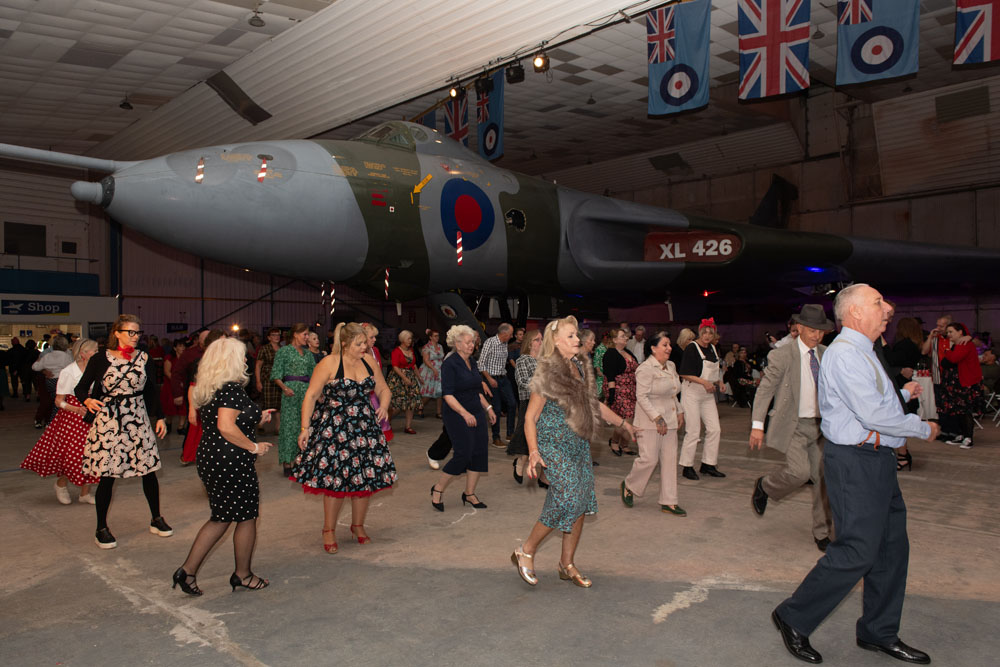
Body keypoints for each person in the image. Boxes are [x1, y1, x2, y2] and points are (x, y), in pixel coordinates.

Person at [771, 284, 938, 666]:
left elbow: (876, 400)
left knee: (892, 548)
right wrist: (920, 426)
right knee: (857, 550)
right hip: (856, 460)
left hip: (875, 459)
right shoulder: (846, 354)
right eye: (878, 303)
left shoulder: (864, 351)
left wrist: (904, 395)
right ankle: (793, 616)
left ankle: (878, 632)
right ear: (855, 314)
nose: (889, 308)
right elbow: (874, 414)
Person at [510, 316, 635, 588]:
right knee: (568, 498)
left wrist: (623, 423)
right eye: (571, 336)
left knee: (581, 499)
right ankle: (526, 550)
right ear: (555, 341)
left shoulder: (577, 367)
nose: (577, 340)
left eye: (577, 335)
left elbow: (594, 403)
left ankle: (566, 564)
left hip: (578, 444)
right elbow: (530, 417)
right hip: (553, 443)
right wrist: (533, 452)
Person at [172, 337, 275, 595]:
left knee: (222, 517)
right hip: (230, 460)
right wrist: (254, 447)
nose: (245, 360)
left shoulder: (210, 387)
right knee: (246, 517)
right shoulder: (230, 388)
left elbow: (227, 420)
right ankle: (242, 574)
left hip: (214, 457)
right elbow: (226, 427)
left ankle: (188, 571)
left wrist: (256, 416)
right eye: (242, 356)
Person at [292, 322, 396, 552]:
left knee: (365, 478)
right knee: (335, 481)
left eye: (365, 343)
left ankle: (357, 525)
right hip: (336, 429)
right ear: (345, 343)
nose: (365, 347)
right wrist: (304, 427)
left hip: (365, 428)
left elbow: (383, 389)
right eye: (359, 344)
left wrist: (384, 406)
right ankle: (328, 529)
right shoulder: (328, 363)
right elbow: (310, 396)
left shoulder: (368, 361)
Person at [76, 315, 170, 550]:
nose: (135, 337)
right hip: (109, 421)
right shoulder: (100, 359)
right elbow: (80, 388)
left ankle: (156, 519)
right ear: (116, 333)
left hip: (137, 418)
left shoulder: (144, 358)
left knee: (148, 470)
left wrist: (160, 417)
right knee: (108, 475)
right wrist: (87, 401)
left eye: (138, 332)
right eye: (131, 332)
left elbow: (150, 390)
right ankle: (101, 528)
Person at [749, 304, 835, 552]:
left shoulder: (827, 354)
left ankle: (822, 532)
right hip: (795, 426)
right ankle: (765, 485)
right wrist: (757, 425)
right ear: (799, 327)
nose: (816, 335)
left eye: (820, 331)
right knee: (799, 473)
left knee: (823, 480)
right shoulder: (782, 355)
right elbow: (765, 389)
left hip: (821, 427)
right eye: (811, 330)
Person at [21, 339, 100, 504]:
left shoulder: (96, 370)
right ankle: (61, 484)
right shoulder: (69, 371)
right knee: (74, 456)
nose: (97, 353)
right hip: (73, 417)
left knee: (93, 454)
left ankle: (85, 493)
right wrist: (76, 409)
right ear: (83, 353)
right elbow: (59, 401)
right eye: (94, 350)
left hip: (92, 414)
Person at [430, 325, 496, 511]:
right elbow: (448, 395)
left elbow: (476, 390)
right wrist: (464, 413)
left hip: (476, 411)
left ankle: (469, 494)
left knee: (479, 453)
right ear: (457, 344)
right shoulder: (450, 364)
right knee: (463, 454)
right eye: (468, 342)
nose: (472, 345)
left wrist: (488, 407)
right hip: (457, 414)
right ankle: (438, 489)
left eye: (473, 342)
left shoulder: (472, 362)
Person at [621, 331, 686, 516]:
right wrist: (657, 417)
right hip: (649, 421)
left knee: (669, 460)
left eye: (669, 344)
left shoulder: (671, 365)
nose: (669, 348)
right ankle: (629, 485)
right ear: (653, 348)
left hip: (670, 419)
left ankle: (669, 502)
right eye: (664, 345)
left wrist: (680, 410)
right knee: (649, 459)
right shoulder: (645, 368)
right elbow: (641, 396)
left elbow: (673, 393)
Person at [677, 319, 726, 480]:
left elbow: (713, 370)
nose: (707, 336)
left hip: (708, 393)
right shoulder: (692, 348)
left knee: (715, 429)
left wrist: (720, 382)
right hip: (692, 391)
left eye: (710, 333)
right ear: (700, 332)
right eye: (704, 332)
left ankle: (708, 464)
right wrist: (704, 382)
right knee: (693, 430)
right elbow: (683, 373)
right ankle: (687, 465)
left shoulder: (712, 348)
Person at [270, 323, 315, 476]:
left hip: (306, 393)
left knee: (304, 426)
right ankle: (287, 462)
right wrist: (284, 387)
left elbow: (314, 375)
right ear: (296, 334)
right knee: (289, 426)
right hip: (290, 394)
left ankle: (300, 460)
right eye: (305, 334)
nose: (307, 337)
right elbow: (275, 374)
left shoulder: (308, 354)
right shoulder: (284, 351)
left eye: (308, 335)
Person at [507, 329, 548, 487]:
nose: (541, 342)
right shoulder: (524, 360)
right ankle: (520, 461)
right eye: (537, 339)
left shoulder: (544, 360)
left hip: (545, 402)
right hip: (529, 401)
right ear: (530, 343)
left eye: (541, 339)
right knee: (527, 437)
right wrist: (541, 383)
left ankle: (544, 477)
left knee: (543, 439)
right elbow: (522, 381)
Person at [938, 322, 984, 449]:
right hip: (959, 383)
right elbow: (946, 362)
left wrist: (947, 351)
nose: (948, 335)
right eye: (947, 332)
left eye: (951, 332)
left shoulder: (964, 344)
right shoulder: (960, 344)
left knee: (965, 411)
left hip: (966, 382)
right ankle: (962, 435)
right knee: (958, 410)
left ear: (960, 332)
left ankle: (968, 437)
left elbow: (952, 359)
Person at [478, 323, 516, 448]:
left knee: (512, 403)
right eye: (510, 334)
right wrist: (489, 378)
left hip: (503, 377)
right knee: (497, 408)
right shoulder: (490, 342)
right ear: (504, 334)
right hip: (492, 379)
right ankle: (496, 437)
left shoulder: (505, 343)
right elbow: (481, 363)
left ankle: (510, 434)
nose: (511, 336)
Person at [603, 327, 639, 456]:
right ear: (614, 339)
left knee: (631, 417)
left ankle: (624, 445)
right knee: (626, 418)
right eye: (622, 336)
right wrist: (611, 395)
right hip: (619, 389)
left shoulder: (627, 352)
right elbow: (610, 375)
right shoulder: (611, 353)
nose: (626, 338)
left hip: (631, 389)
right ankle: (614, 442)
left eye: (625, 336)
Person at [361, 323, 393, 443]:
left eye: (375, 337)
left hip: (376, 393)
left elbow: (379, 374)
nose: (374, 340)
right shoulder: (357, 354)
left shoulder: (375, 351)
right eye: (371, 337)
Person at [32, 334, 73, 428]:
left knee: (52, 401)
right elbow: (72, 368)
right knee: (60, 402)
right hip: (61, 381)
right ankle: (53, 422)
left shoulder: (47, 355)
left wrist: (43, 368)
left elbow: (35, 367)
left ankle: (50, 421)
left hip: (49, 381)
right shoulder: (66, 356)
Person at [386, 330, 421, 434]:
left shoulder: (411, 350)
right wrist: (404, 378)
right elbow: (395, 367)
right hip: (398, 379)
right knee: (396, 404)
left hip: (410, 378)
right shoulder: (396, 351)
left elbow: (413, 364)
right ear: (402, 340)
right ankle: (387, 423)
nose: (410, 341)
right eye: (408, 339)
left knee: (411, 403)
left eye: (411, 338)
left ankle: (408, 426)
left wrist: (419, 376)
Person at [255, 327, 283, 435]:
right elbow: (258, 365)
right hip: (267, 379)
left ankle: (278, 427)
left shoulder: (282, 348)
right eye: (274, 335)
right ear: (269, 337)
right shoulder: (264, 349)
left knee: (279, 405)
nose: (276, 337)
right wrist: (258, 381)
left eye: (278, 335)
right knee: (267, 404)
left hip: (280, 379)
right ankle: (261, 425)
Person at [160, 338, 188, 435]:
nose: (182, 348)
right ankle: (168, 423)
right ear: (175, 348)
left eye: (184, 346)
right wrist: (176, 382)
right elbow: (167, 372)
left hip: (183, 385)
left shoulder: (186, 358)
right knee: (170, 407)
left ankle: (181, 427)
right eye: (180, 346)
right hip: (171, 385)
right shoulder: (169, 358)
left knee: (184, 407)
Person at [418, 329, 444, 419]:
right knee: (428, 392)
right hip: (429, 370)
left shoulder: (440, 346)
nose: (437, 337)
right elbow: (425, 360)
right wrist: (433, 369)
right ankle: (420, 407)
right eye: (435, 336)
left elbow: (441, 358)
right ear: (430, 337)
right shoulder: (427, 347)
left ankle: (438, 412)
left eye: (438, 336)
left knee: (439, 391)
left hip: (440, 369)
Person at [592, 330, 610, 401]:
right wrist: (598, 371)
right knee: (599, 391)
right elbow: (596, 360)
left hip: (607, 372)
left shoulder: (608, 347)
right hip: (601, 372)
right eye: (605, 338)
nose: (607, 340)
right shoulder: (599, 348)